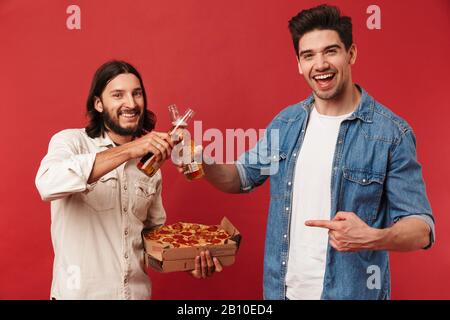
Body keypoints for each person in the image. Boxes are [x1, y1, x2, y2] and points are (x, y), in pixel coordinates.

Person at [192, 5, 435, 299]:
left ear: (351, 54)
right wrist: (202, 161)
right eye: (309, 55)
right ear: (298, 63)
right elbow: (240, 177)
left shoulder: (391, 134)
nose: (320, 64)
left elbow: (421, 229)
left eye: (330, 51)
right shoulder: (286, 123)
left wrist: (371, 237)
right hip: (283, 293)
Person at [35, 60, 221, 300]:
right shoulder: (71, 142)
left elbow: (151, 242)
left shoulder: (150, 165)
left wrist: (185, 262)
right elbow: (47, 184)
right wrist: (130, 149)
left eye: (137, 94)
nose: (131, 104)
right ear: (98, 104)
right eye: (118, 95)